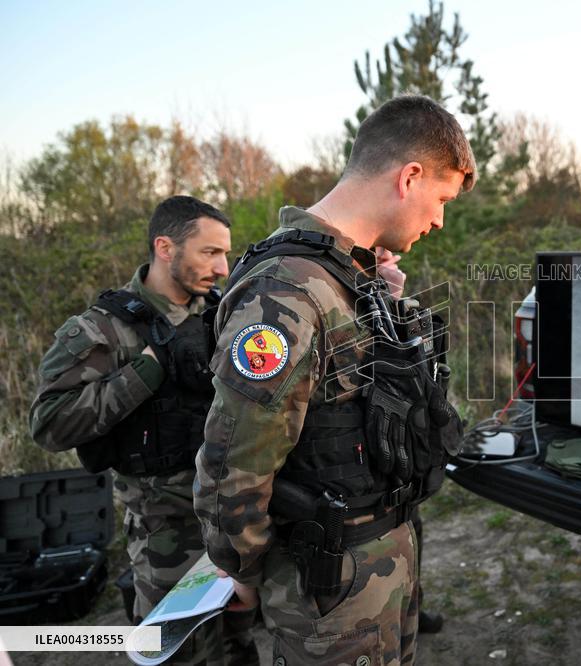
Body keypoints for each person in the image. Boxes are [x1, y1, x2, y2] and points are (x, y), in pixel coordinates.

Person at [193, 94, 473, 665]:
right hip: (328, 583)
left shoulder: (353, 274)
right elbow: (235, 458)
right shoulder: (286, 289)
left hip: (382, 560)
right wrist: (240, 566)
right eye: (440, 198)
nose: (440, 219)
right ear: (409, 177)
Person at [29, 195, 258, 665]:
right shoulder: (103, 331)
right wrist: (143, 374)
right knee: (181, 652)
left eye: (226, 253)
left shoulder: (219, 312)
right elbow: (48, 424)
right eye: (210, 253)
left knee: (239, 643)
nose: (222, 267)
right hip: (164, 537)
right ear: (166, 247)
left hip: (228, 523)